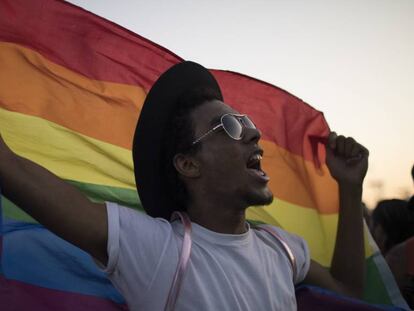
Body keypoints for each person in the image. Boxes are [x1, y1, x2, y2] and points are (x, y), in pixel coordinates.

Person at [0, 61, 369, 310]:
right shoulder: (157, 250)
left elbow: (351, 292)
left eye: (248, 122)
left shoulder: (284, 249)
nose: (255, 133)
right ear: (188, 164)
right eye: (230, 127)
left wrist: (350, 188)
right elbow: (9, 167)